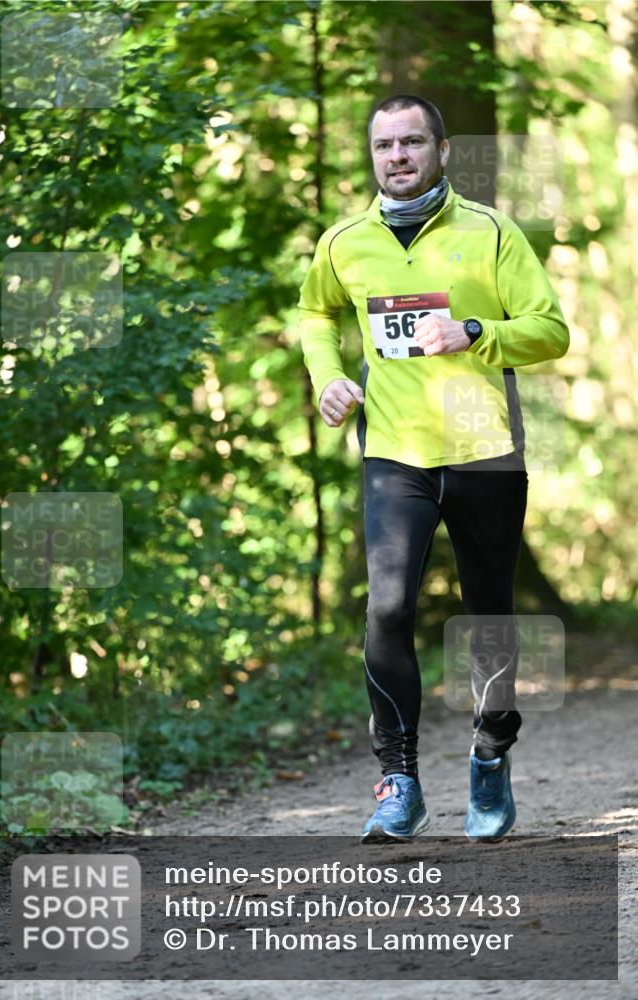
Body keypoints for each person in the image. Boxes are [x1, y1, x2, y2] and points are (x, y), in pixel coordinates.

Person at [298, 94, 569, 843]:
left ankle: (488, 755)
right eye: (383, 145)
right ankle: (399, 781)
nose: (396, 156)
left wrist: (475, 330)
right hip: (394, 450)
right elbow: (315, 313)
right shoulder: (344, 241)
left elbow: (550, 330)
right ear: (372, 155)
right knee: (385, 609)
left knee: (486, 615)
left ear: (441, 150)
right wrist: (327, 376)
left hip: (484, 446)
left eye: (411, 142)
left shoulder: (489, 232)